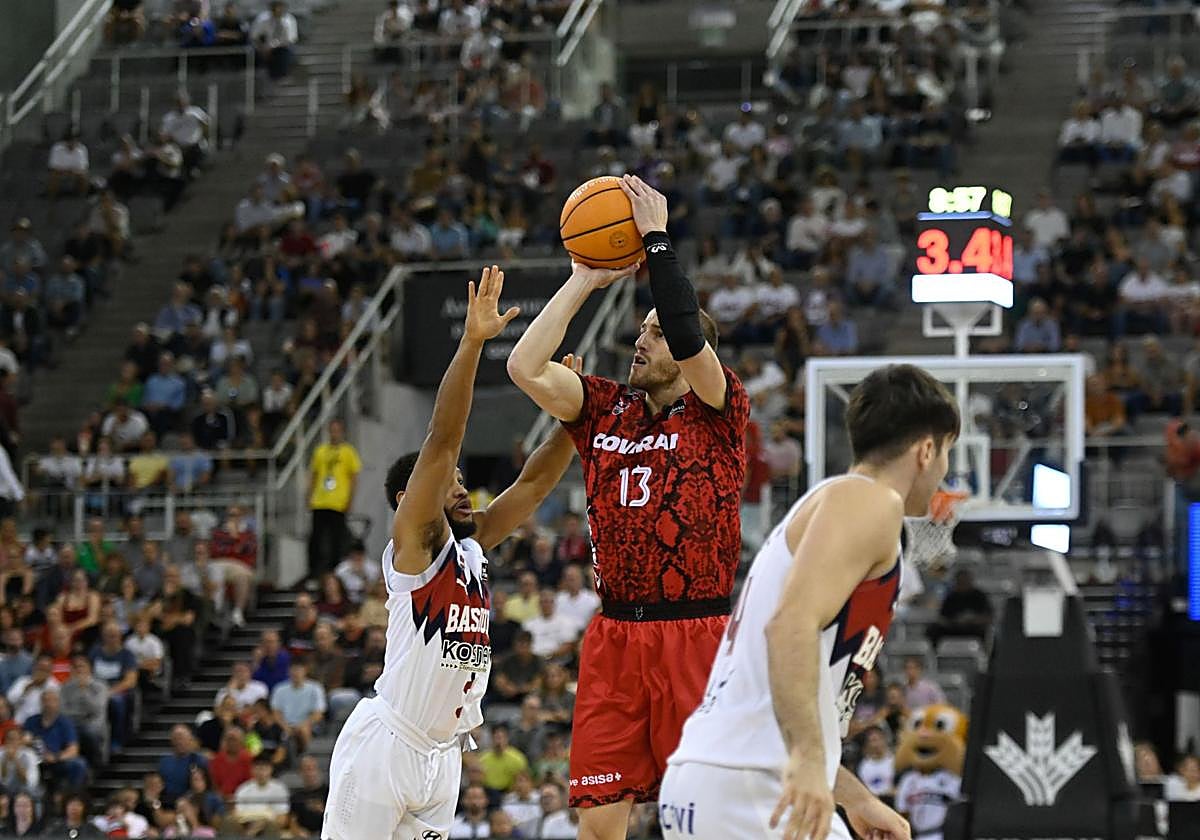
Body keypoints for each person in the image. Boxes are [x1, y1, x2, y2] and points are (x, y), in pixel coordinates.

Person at [507, 174, 750, 834]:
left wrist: (657, 241)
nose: (642, 340)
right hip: (614, 638)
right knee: (596, 827)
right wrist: (584, 278)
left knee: (701, 821)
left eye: (656, 332)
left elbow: (687, 330)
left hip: (693, 632)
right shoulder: (604, 406)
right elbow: (524, 367)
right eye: (640, 330)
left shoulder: (716, 411)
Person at [322, 265, 578, 840]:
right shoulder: (416, 544)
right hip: (388, 744)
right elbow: (443, 438)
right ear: (408, 498)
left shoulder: (473, 547)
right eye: (449, 481)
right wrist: (472, 343)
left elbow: (533, 486)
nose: (460, 486)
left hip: (443, 757)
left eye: (463, 479)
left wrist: (572, 421)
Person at [659, 363, 959, 840]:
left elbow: (785, 685)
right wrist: (805, 761)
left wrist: (853, 795)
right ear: (926, 450)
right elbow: (789, 627)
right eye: (947, 453)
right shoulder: (871, 502)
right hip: (753, 786)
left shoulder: (830, 506)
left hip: (720, 781)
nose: (945, 471)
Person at [307, 419, 361, 580]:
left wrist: (350, 500)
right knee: (315, 538)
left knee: (337, 538)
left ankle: (335, 571)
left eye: (337, 430)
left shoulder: (348, 452)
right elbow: (314, 474)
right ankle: (314, 571)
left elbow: (354, 478)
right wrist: (309, 495)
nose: (334, 433)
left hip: (338, 502)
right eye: (332, 430)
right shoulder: (320, 451)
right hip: (320, 501)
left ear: (342, 432)